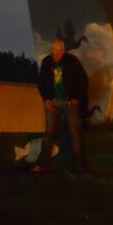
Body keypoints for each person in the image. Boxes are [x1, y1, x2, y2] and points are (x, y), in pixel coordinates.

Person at [33, 38, 88, 172]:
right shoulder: (47, 62)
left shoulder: (72, 62)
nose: (54, 55)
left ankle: (79, 165)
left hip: (69, 101)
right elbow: (42, 83)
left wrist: (77, 98)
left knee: (74, 132)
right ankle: (42, 165)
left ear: (63, 51)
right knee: (49, 133)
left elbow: (83, 80)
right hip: (54, 101)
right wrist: (46, 99)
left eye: (57, 52)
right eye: (53, 52)